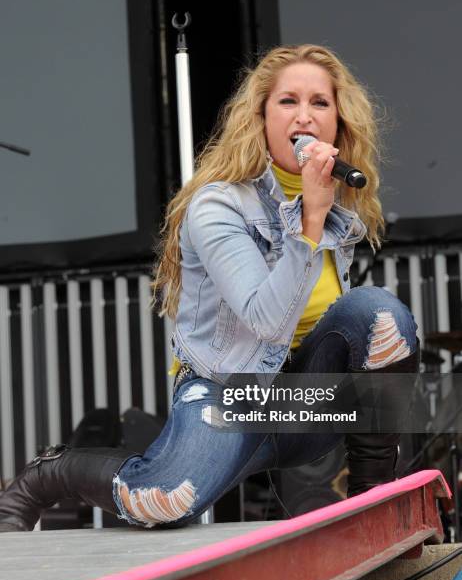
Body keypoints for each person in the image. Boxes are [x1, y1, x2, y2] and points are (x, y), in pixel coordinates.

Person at [0, 44, 419, 532]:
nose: (304, 117)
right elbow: (266, 320)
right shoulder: (217, 205)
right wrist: (309, 220)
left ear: (339, 124)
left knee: (379, 313)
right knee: (164, 501)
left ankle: (372, 508)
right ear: (260, 117)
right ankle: (51, 473)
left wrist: (318, 209)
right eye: (288, 102)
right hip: (228, 396)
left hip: (305, 405)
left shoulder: (339, 203)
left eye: (320, 103)